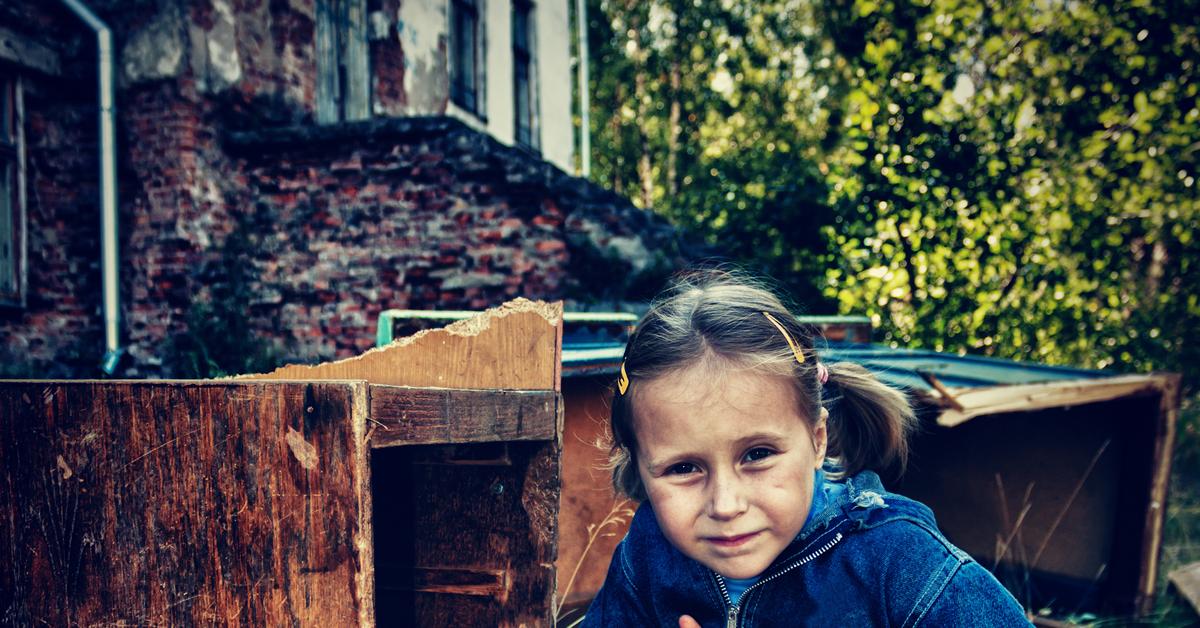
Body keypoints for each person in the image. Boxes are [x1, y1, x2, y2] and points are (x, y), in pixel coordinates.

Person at [581, 271, 1031, 627]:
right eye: (683, 468)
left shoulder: (898, 565)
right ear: (640, 467)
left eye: (757, 454)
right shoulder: (647, 558)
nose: (725, 504)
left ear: (817, 440)